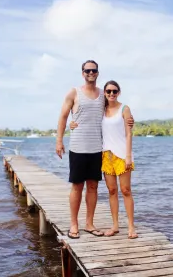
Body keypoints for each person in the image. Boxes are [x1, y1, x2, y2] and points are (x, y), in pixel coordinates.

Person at [56, 60, 133, 239]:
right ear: (82, 73)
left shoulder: (102, 96)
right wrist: (59, 140)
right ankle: (74, 224)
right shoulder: (74, 92)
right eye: (87, 70)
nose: (91, 73)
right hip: (77, 147)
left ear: (98, 73)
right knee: (77, 187)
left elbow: (117, 111)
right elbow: (63, 116)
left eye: (94, 70)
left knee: (93, 187)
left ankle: (89, 224)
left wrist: (130, 119)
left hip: (97, 149)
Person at [70, 80, 138, 239]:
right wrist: (72, 124)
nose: (111, 94)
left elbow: (129, 134)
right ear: (105, 93)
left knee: (126, 190)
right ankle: (115, 225)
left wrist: (128, 156)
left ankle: (131, 227)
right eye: (108, 91)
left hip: (122, 155)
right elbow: (86, 118)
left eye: (115, 91)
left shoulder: (124, 108)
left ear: (119, 92)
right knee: (112, 190)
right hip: (106, 155)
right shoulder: (102, 108)